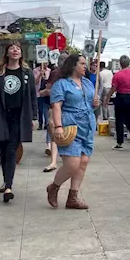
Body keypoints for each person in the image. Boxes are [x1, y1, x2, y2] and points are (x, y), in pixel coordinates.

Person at [0, 42, 38, 202]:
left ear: (21, 53)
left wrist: (33, 117)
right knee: (3, 150)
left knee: (11, 149)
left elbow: (32, 95)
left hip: (19, 116)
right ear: (7, 52)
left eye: (18, 48)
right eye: (12, 48)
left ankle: (9, 186)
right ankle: (6, 181)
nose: (15, 50)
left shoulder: (27, 73)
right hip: (0, 115)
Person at [46, 54, 100, 210]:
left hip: (87, 127)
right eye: (82, 63)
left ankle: (73, 197)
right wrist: (58, 126)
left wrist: (95, 104)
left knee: (83, 163)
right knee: (72, 165)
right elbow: (56, 106)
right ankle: (54, 187)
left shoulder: (88, 83)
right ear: (72, 65)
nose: (85, 66)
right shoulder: (61, 84)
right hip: (71, 126)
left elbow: (91, 104)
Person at [107, 55, 130, 150]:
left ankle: (120, 142)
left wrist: (107, 98)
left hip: (121, 98)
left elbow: (113, 88)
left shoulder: (117, 75)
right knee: (129, 120)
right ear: (129, 63)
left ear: (121, 64)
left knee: (119, 121)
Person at [40, 59, 65, 173]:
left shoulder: (74, 76)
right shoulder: (56, 73)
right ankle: (54, 161)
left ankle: (58, 159)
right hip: (55, 105)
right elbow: (49, 89)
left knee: (59, 133)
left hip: (65, 107)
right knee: (54, 131)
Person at [34, 63, 50, 130]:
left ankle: (47, 123)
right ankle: (40, 124)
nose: (46, 64)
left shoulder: (49, 70)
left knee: (46, 108)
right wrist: (40, 75)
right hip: (38, 92)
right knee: (40, 109)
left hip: (46, 92)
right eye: (45, 63)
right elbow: (35, 82)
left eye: (47, 63)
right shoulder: (35, 70)